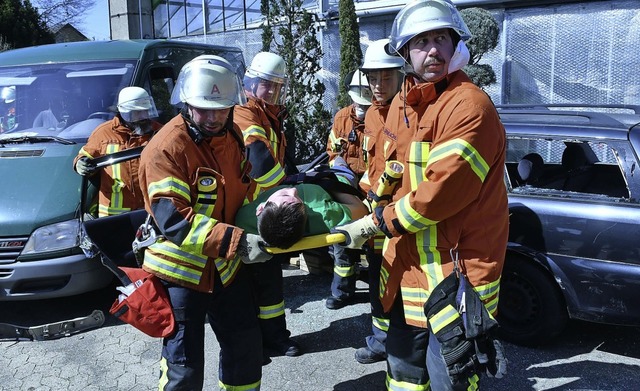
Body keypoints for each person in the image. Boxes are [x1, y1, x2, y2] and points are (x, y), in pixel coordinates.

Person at [332, 0, 509, 389]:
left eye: (441, 39)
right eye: (421, 41)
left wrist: (379, 222)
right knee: (404, 374)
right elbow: (390, 170)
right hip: (408, 267)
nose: (433, 50)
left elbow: (440, 193)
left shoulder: (468, 105)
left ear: (455, 44)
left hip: (457, 273)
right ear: (404, 52)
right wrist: (370, 205)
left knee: (454, 378)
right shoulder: (402, 104)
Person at [137, 55, 271, 390]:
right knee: (184, 366)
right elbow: (175, 218)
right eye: (203, 108)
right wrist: (237, 242)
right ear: (186, 102)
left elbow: (244, 188)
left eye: (221, 108)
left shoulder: (233, 136)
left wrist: (267, 216)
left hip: (225, 267)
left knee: (246, 348)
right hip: (181, 273)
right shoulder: (166, 148)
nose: (212, 117)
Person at [234, 51, 301, 358]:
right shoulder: (245, 111)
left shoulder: (271, 114)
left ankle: (275, 338)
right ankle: (253, 345)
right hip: (246, 210)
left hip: (265, 207)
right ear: (252, 82)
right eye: (268, 85)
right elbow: (258, 156)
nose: (273, 92)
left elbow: (278, 157)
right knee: (246, 284)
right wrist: (285, 186)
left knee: (271, 280)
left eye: (278, 86)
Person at [353, 38, 405, 365]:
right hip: (374, 218)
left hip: (401, 220)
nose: (378, 84)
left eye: (386, 77)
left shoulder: (411, 113)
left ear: (401, 75)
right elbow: (370, 168)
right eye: (373, 76)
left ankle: (399, 346)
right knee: (377, 283)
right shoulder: (372, 114)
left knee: (401, 287)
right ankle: (380, 341)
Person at [324, 70, 373, 310]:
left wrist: (364, 187)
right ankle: (342, 291)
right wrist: (341, 173)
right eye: (358, 99)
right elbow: (333, 149)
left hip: (373, 190)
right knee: (341, 238)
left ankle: (379, 292)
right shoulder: (342, 117)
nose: (362, 105)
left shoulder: (382, 119)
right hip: (348, 189)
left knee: (377, 244)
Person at [73, 86, 161, 217]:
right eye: (137, 112)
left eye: (146, 111)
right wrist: (80, 164)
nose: (144, 116)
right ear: (124, 113)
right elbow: (85, 156)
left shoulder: (159, 132)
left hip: (150, 211)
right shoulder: (103, 133)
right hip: (113, 216)